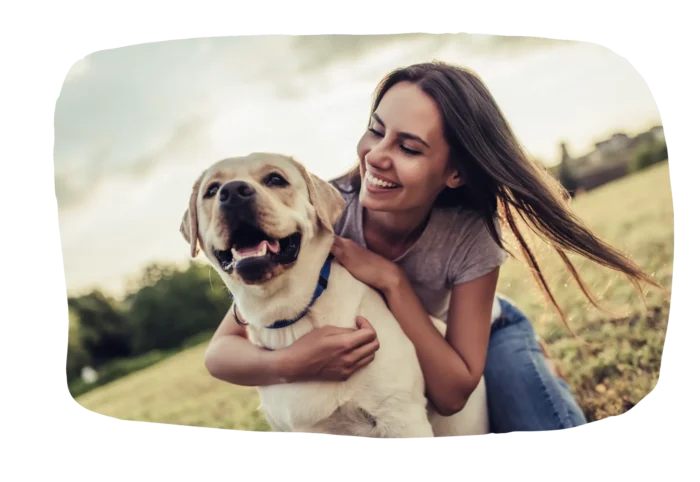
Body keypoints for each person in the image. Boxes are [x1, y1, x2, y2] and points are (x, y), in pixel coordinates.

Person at [203, 61, 662, 434]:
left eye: (409, 147)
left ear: (455, 173)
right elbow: (222, 347)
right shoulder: (322, 215)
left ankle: (537, 367)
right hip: (411, 354)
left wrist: (391, 279)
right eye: (376, 130)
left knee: (534, 415)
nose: (377, 156)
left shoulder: (469, 236)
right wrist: (291, 361)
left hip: (482, 336)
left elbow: (450, 392)